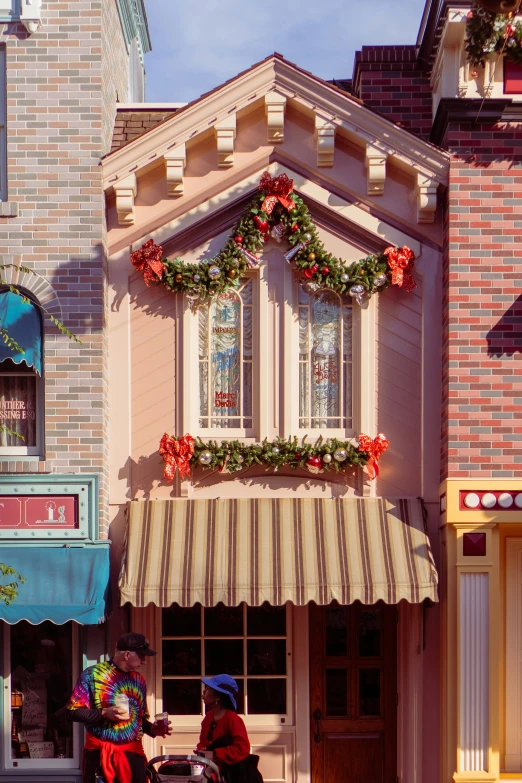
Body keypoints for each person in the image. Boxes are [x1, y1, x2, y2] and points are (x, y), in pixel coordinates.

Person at [67, 632, 172, 783]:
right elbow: (71, 712)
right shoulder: (93, 675)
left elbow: (139, 719)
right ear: (127, 655)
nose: (144, 662)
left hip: (132, 754)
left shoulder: (139, 680)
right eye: (142, 656)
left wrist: (152, 729)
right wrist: (103, 713)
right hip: (100, 756)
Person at [196, 675, 250, 766]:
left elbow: (243, 748)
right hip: (210, 769)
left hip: (230, 772)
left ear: (218, 697)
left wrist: (216, 754)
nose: (204, 691)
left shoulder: (233, 719)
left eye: (208, 689)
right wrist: (202, 750)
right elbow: (202, 742)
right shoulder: (208, 717)